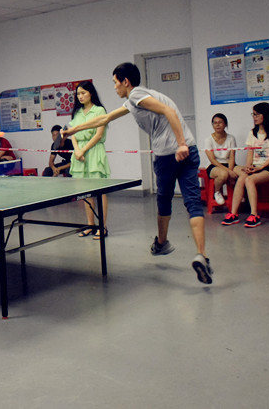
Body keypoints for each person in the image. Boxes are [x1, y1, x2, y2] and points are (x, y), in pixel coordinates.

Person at [64, 63, 212, 284]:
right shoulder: (138, 99)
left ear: (126, 82)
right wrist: (74, 130)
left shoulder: (136, 95)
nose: (114, 87)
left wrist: (180, 144)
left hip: (170, 154)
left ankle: (162, 243)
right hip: (190, 150)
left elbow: (170, 112)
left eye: (115, 82)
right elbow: (105, 119)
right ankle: (200, 254)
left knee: (164, 201)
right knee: (193, 202)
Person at [222, 102, 269, 228]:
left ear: (265, 115)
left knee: (249, 180)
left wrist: (261, 167)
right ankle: (233, 214)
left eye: (257, 114)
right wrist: (248, 166)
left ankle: (254, 215)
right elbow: (250, 153)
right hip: (255, 166)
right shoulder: (252, 132)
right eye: (253, 114)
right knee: (242, 177)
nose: (254, 117)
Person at [68, 81, 110, 238]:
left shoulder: (99, 110)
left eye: (83, 93)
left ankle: (102, 227)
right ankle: (90, 225)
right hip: (79, 154)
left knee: (99, 191)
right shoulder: (77, 113)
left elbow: (98, 135)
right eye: (78, 94)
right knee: (85, 193)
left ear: (91, 93)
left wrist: (83, 150)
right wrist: (77, 151)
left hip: (94, 152)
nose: (80, 96)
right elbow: (72, 133)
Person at [204, 113, 237, 207]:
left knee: (242, 173)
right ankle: (217, 192)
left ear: (225, 124)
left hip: (228, 164)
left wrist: (230, 169)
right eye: (215, 123)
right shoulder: (208, 140)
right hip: (214, 165)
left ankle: (239, 195)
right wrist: (229, 172)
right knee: (224, 174)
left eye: (220, 122)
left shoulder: (231, 138)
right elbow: (213, 160)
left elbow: (232, 157)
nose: (217, 125)